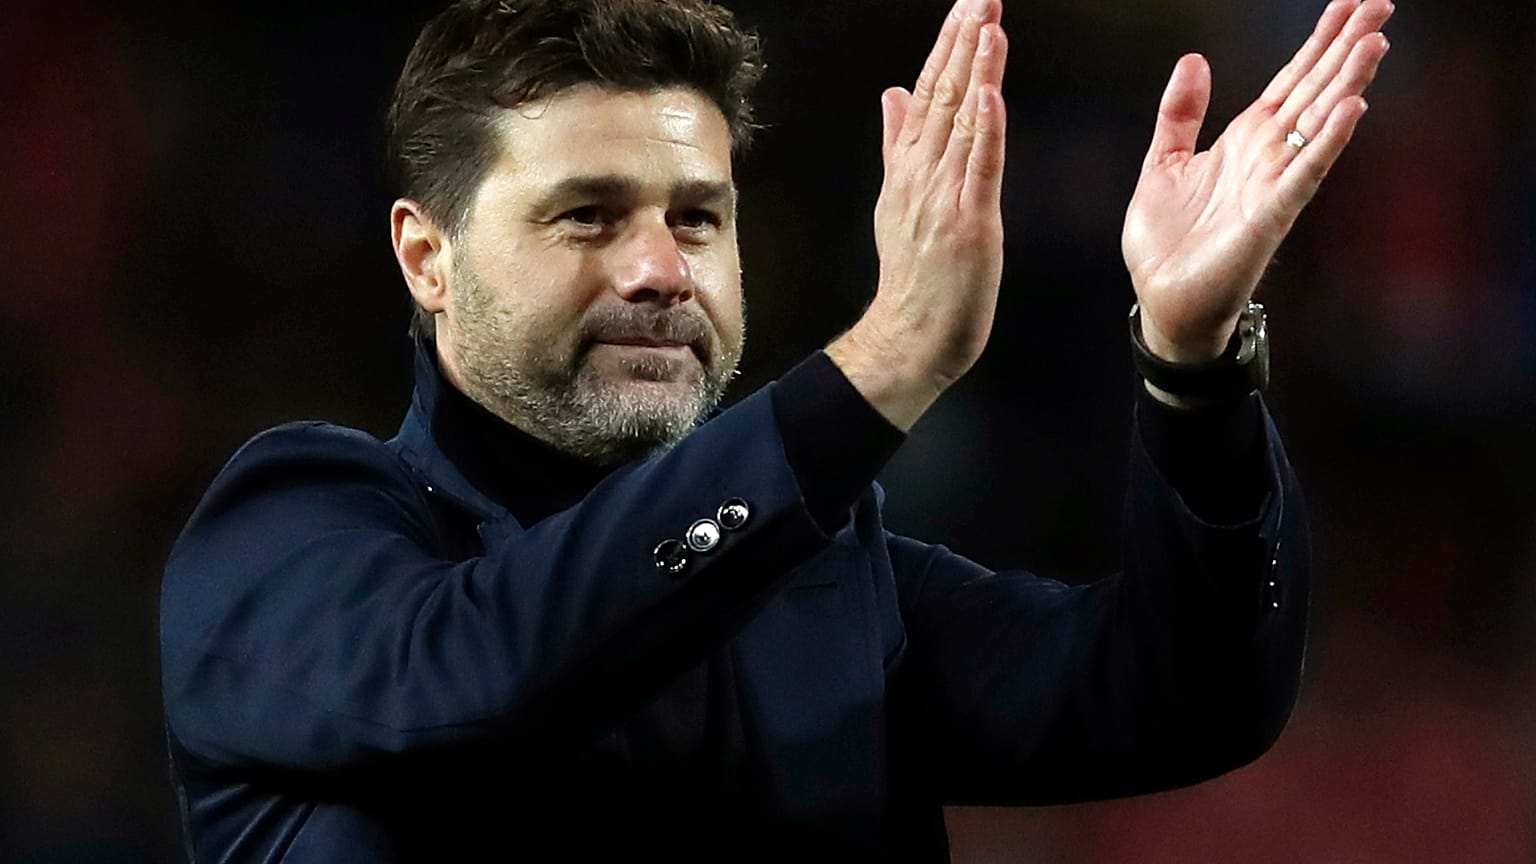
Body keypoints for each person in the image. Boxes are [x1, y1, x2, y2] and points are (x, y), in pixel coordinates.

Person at [159, 0, 1392, 859]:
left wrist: (1192, 374)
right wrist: (886, 359)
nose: (659, 269)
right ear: (427, 258)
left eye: (698, 219)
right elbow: (482, 675)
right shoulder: (291, 537)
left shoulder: (828, 579)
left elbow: (1188, 700)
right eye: (586, 216)